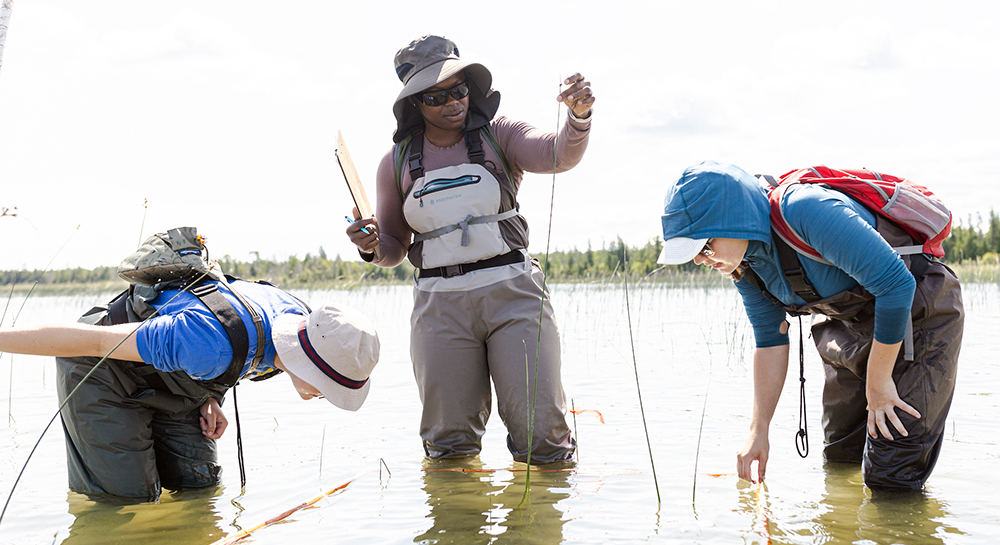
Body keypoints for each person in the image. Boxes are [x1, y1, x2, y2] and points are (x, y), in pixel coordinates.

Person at [346, 35, 595, 463]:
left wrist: (579, 116)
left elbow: (558, 154)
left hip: (514, 296)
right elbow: (392, 248)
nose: (452, 101)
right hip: (438, 307)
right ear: (414, 104)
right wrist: (369, 246)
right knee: (448, 445)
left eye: (458, 89)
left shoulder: (502, 134)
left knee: (543, 440)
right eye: (436, 96)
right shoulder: (396, 161)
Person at [657, 161, 962, 491]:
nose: (701, 259)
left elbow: (896, 285)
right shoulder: (742, 266)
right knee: (839, 458)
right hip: (850, 324)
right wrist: (759, 430)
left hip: (916, 311)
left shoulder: (805, 210)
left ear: (734, 220)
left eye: (704, 245)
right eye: (693, 254)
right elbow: (770, 342)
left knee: (891, 474)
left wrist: (877, 381)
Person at [0, 280, 380, 500]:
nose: (324, 397)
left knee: (200, 487)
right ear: (306, 360)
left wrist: (211, 395)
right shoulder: (208, 344)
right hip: (101, 365)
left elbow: (243, 350)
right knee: (128, 498)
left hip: (178, 377)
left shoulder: (302, 320)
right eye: (327, 387)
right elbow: (95, 343)